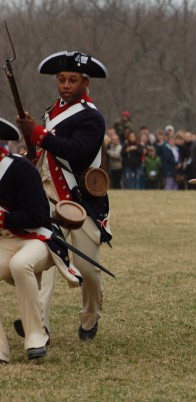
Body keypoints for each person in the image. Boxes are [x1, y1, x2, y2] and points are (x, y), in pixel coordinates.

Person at [16, 50, 112, 341]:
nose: (66, 85)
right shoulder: (51, 110)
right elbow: (49, 151)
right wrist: (32, 151)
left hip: (81, 201)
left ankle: (90, 316)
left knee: (87, 268)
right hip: (48, 196)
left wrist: (40, 135)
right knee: (46, 258)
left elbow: (78, 152)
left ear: (85, 83)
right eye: (61, 79)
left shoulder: (92, 118)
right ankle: (39, 324)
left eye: (72, 80)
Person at [0, 118, 82, 362]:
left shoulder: (19, 168)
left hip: (38, 239)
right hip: (5, 242)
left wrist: (4, 218)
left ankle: (36, 337)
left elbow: (38, 215)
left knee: (20, 264)